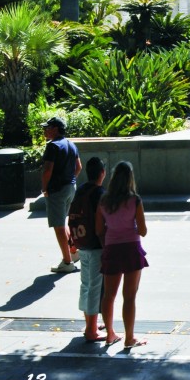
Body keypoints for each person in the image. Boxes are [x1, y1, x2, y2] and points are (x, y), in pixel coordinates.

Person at [96, 161, 149, 348]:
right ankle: (129, 338)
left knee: (108, 295)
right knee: (129, 297)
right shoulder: (135, 200)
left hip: (112, 249)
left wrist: (108, 243)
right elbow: (143, 231)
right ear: (130, 179)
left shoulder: (104, 201)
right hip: (131, 250)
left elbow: (98, 229)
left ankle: (110, 334)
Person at [68, 157, 107, 342]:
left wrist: (73, 242)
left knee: (85, 284)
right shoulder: (100, 193)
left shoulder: (81, 190)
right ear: (102, 173)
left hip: (81, 242)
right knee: (95, 287)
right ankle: (91, 330)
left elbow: (71, 216)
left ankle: (89, 322)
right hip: (96, 244)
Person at [41, 116, 83, 274]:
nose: (45, 130)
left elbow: (47, 170)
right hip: (70, 187)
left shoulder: (52, 146)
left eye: (48, 127)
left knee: (58, 226)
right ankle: (73, 251)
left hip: (57, 190)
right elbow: (78, 166)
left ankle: (67, 262)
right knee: (62, 221)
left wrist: (44, 188)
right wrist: (70, 180)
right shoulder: (71, 144)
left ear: (56, 129)